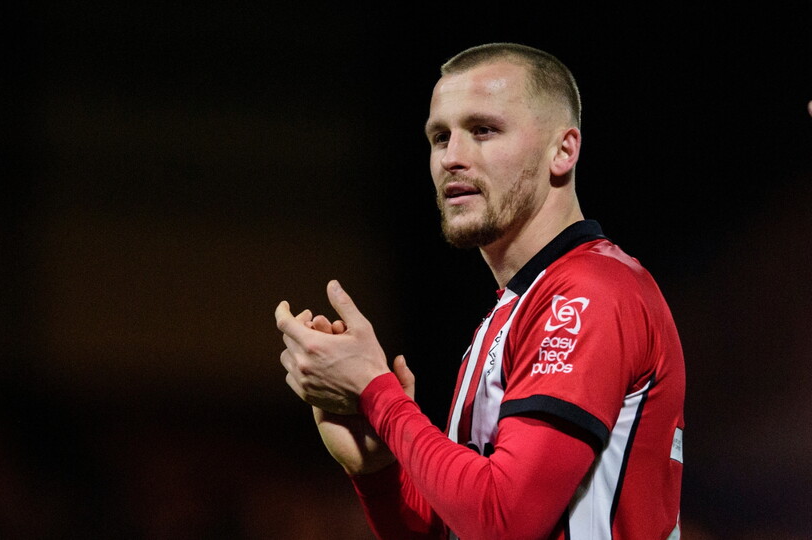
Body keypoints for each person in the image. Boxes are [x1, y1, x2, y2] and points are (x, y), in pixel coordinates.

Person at [275, 42, 685, 540]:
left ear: (564, 150)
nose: (452, 157)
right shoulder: (513, 309)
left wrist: (376, 392)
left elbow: (504, 521)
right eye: (439, 136)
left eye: (484, 130)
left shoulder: (586, 293)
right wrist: (377, 466)